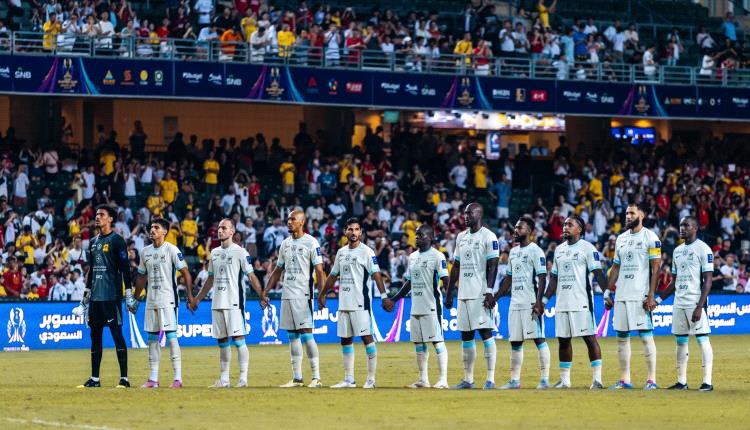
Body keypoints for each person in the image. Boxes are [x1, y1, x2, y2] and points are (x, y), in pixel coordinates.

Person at [189, 218, 264, 388]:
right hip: (217, 302)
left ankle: (243, 379)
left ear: (232, 232)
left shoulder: (240, 252)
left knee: (238, 340)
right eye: (219, 228)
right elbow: (210, 279)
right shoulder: (214, 253)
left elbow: (251, 275)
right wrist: (197, 299)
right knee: (222, 342)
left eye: (224, 228)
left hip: (234, 302)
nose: (220, 230)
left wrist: (262, 294)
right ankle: (224, 380)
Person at [535, 215, 607, 389]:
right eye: (564, 224)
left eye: (570, 224)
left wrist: (607, 294)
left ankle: (597, 380)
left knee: (589, 339)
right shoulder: (559, 250)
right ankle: (565, 381)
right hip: (562, 303)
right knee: (563, 341)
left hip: (581, 302)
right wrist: (543, 301)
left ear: (579, 229)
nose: (565, 227)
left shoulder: (588, 248)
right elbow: (554, 279)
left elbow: (598, 274)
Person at [261, 210, 326, 388]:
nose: (289, 222)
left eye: (293, 219)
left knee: (306, 333)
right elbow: (278, 271)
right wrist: (265, 291)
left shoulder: (311, 242)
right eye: (288, 219)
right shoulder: (285, 244)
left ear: (302, 222)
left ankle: (316, 377)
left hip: (303, 295)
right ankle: (297, 378)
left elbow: (319, 270)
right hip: (287, 294)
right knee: (292, 336)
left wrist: (321, 294)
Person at [319, 218, 386, 389]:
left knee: (367, 338)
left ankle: (371, 379)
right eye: (350, 229)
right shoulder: (341, 252)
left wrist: (384, 295)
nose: (353, 232)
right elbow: (333, 276)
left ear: (361, 232)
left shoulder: (367, 252)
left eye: (356, 229)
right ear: (345, 232)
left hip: (360, 303)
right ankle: (349, 379)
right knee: (345, 339)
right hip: (344, 303)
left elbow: (376, 274)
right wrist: (322, 294)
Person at [72, 205, 134, 388]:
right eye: (97, 214)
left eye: (102, 215)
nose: (97, 217)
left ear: (110, 219)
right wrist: (85, 299)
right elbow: (91, 272)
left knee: (117, 335)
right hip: (96, 299)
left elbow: (125, 269)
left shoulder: (117, 241)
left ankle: (124, 379)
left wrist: (128, 294)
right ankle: (95, 379)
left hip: (111, 296)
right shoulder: (92, 242)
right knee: (95, 336)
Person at [382, 225, 449, 389]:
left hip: (432, 305)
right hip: (416, 305)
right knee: (418, 343)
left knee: (437, 341)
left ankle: (443, 380)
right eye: (417, 235)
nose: (417, 238)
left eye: (421, 235)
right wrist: (394, 300)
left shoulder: (437, 256)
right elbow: (409, 282)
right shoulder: (412, 257)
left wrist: (449, 297)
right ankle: (423, 380)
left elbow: (445, 279)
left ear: (430, 237)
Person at [604, 203, 661, 390]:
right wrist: (608, 291)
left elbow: (656, 268)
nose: (628, 216)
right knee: (621, 338)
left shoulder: (650, 237)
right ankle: (624, 379)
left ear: (641, 215)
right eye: (627, 213)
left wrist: (651, 295)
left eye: (632, 213)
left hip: (640, 295)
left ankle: (651, 380)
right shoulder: (621, 238)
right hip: (621, 294)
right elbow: (616, 268)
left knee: (646, 337)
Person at [489, 217, 550, 389]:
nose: (515, 230)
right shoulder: (513, 252)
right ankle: (515, 381)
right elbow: (508, 279)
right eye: (515, 227)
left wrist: (539, 302)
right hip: (515, 303)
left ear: (529, 231)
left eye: (520, 228)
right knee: (515, 342)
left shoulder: (536, 251)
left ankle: (544, 380)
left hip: (530, 303)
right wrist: (496, 297)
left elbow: (542, 277)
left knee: (539, 339)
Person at [132, 218, 193, 389]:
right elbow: (141, 276)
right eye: (151, 227)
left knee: (172, 338)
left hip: (168, 300)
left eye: (156, 227)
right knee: (152, 339)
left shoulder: (172, 250)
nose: (152, 230)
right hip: (151, 300)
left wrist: (190, 296)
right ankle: (153, 379)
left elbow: (186, 273)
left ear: (164, 231)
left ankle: (178, 378)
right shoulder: (145, 252)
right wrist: (136, 298)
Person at [445, 203, 500, 389]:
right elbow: (456, 266)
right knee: (466, 336)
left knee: (486, 333)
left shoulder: (489, 236)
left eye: (470, 213)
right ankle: (468, 379)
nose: (466, 216)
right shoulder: (461, 237)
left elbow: (493, 265)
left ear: (479, 214)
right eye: (465, 213)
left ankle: (490, 379)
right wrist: (449, 291)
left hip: (481, 294)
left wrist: (490, 291)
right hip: (463, 294)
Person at [657, 216, 714, 391]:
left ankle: (707, 382)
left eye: (686, 225)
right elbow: (674, 282)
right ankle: (681, 382)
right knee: (681, 341)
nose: (682, 228)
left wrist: (700, 306)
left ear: (695, 228)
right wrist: (658, 300)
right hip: (679, 302)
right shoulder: (677, 251)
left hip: (695, 301)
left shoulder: (704, 249)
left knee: (702, 339)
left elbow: (708, 281)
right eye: (681, 225)